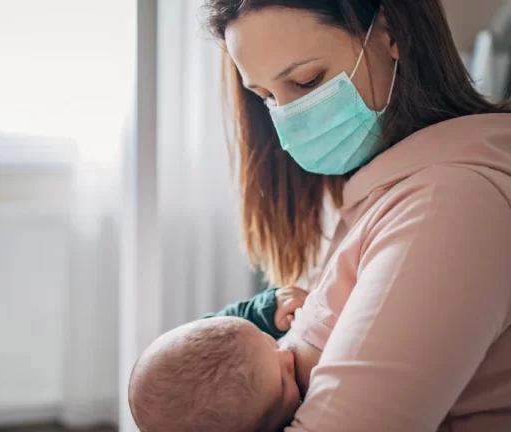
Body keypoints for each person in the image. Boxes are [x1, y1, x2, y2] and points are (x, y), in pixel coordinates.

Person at [200, 0, 511, 431]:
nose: (289, 121)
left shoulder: (444, 204)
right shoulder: (374, 193)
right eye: (268, 98)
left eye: (307, 81)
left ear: (390, 34)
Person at [127, 286, 310, 431]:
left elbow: (219, 329)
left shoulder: (231, 347)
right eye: (284, 382)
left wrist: (265, 310)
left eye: (269, 341)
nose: (286, 354)